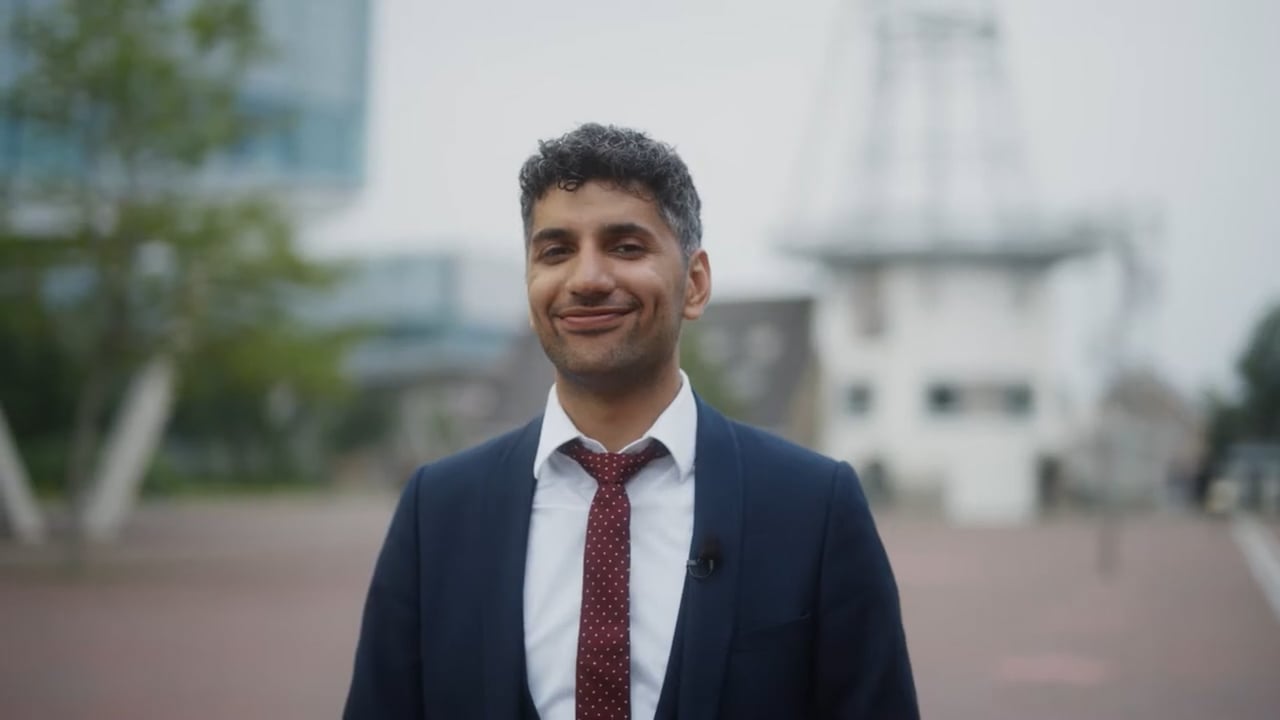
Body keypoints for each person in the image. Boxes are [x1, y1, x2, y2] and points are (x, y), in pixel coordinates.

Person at [343, 123, 918, 720]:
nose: (587, 279)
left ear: (694, 284)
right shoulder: (436, 510)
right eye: (556, 251)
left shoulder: (815, 506)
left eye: (626, 246)